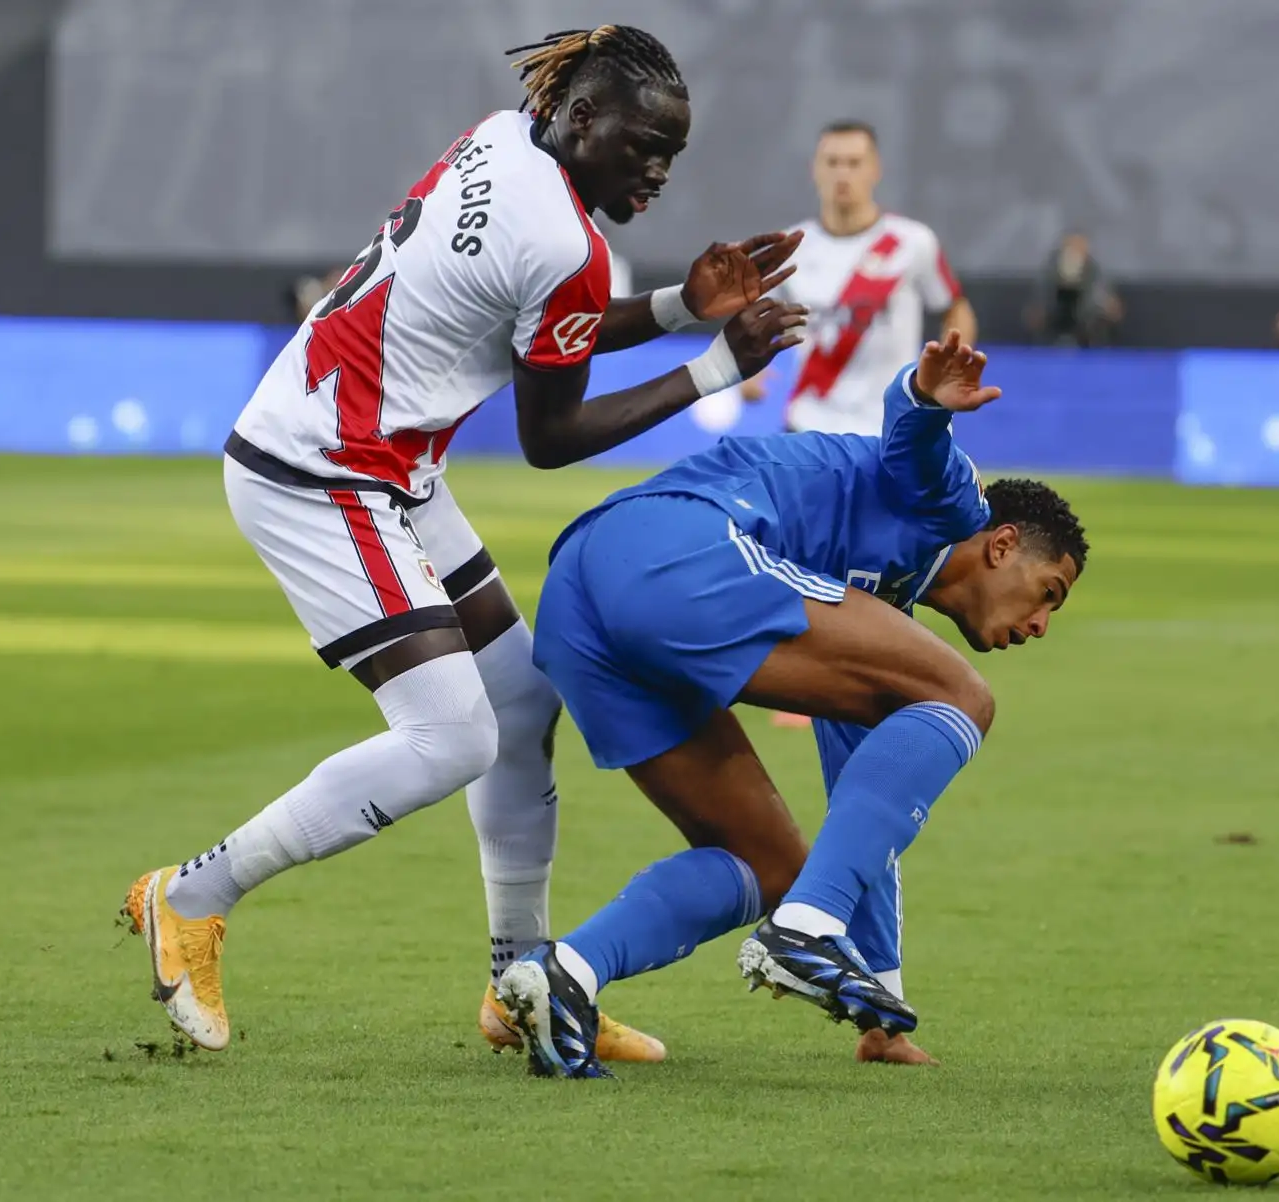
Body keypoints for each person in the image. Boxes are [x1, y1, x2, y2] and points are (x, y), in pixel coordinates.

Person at [120, 25, 808, 1061]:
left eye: (672, 152)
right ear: (582, 118)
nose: (659, 171)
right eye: (644, 145)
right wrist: (716, 365)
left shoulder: (501, 138)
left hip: (374, 455)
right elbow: (551, 436)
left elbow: (542, 317)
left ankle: (516, 983)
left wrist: (678, 307)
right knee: (452, 737)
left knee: (521, 703)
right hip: (320, 469)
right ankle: (191, 896)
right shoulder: (568, 245)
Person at [496, 337, 1089, 1077]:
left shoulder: (869, 626)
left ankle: (564, 975)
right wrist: (924, 396)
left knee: (771, 863)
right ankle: (805, 929)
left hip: (580, 602)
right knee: (965, 696)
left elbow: (863, 812)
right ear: (1001, 545)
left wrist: (883, 1009)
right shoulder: (953, 503)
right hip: (677, 550)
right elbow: (912, 443)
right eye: (1048, 595)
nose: (1040, 625)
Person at [740, 120, 976, 437]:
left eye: (854, 163)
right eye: (832, 162)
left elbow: (955, 308)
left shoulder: (912, 242)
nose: (842, 173)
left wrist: (952, 365)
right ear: (815, 170)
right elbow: (755, 320)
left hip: (890, 429)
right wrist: (747, 368)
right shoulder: (789, 248)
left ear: (875, 169)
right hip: (808, 427)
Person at [1025, 231, 1122, 347]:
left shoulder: (1096, 274)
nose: (1074, 255)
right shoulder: (1049, 273)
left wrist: (1107, 307)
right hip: (1054, 326)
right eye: (1071, 249)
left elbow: (1111, 308)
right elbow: (1036, 309)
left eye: (1079, 250)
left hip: (1087, 327)